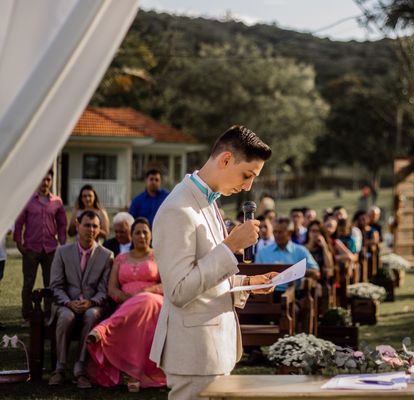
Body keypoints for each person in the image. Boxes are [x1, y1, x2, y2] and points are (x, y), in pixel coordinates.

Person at [149, 125, 277, 400]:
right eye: (247, 175)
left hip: (216, 347)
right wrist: (230, 246)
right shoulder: (177, 209)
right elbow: (179, 290)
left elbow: (208, 274)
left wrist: (248, 284)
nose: (248, 186)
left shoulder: (209, 203)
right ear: (226, 159)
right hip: (195, 352)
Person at [87, 218, 165, 391]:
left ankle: (103, 329)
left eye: (145, 232)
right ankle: (133, 372)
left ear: (151, 235)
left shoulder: (159, 256)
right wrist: (127, 299)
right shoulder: (121, 259)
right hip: (126, 306)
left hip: (154, 302)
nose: (142, 236)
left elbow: (167, 284)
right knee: (137, 310)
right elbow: (112, 288)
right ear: (131, 235)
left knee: (145, 300)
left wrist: (147, 291)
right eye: (137, 232)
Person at [48, 211, 113, 388]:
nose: (90, 230)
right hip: (66, 304)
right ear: (77, 225)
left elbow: (104, 289)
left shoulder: (107, 255)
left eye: (94, 226)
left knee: (92, 315)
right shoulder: (62, 251)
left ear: (100, 229)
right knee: (66, 317)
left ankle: (80, 369)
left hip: (92, 304)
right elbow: (55, 285)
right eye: (86, 225)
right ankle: (59, 369)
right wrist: (69, 302)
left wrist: (91, 302)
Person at [14, 170, 67, 322]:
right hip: (31, 248)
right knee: (28, 283)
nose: (44, 183)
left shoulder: (57, 202)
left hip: (51, 249)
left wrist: (61, 243)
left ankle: (49, 314)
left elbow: (62, 224)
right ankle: (28, 315)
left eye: (48, 179)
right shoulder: (28, 201)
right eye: (42, 179)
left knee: (50, 284)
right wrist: (19, 243)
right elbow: (19, 223)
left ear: (51, 181)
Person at [255, 217, 321, 294]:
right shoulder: (263, 252)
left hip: (293, 295)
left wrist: (296, 271)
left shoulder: (300, 251)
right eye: (275, 232)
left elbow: (316, 273)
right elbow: (256, 275)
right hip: (267, 295)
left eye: (280, 232)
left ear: (289, 233)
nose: (276, 235)